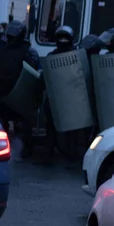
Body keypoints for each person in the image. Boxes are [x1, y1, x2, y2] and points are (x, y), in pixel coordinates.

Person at [0, 20, 39, 158]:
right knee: (4, 122)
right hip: (6, 93)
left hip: (18, 93)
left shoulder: (28, 51)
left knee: (23, 123)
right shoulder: (2, 49)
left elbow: (32, 72)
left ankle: (25, 149)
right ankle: (6, 148)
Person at [38, 26, 77, 165]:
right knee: (72, 129)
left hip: (54, 100)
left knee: (51, 129)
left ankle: (48, 155)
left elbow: (43, 79)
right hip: (71, 100)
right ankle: (71, 156)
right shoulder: (75, 57)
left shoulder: (51, 57)